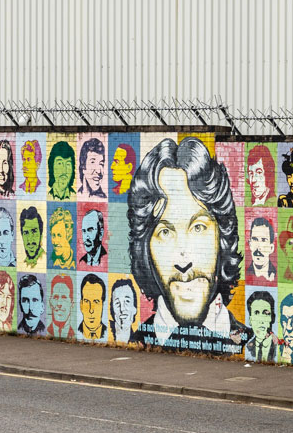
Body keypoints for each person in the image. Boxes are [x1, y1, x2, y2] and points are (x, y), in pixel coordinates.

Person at [128, 136, 247, 353]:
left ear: (222, 238)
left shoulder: (252, 343)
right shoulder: (137, 341)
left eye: (198, 228)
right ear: (145, 250)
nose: (184, 261)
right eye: (165, 232)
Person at [243, 290, 277, 363]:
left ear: (272, 318)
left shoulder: (278, 347)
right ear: (250, 320)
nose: (261, 320)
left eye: (266, 313)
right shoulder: (248, 347)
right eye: (256, 313)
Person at [246, 216, 276, 283]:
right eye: (255, 239)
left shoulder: (276, 273)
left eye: (263, 240)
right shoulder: (246, 272)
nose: (258, 247)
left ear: (271, 248)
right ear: (250, 244)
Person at [78, 274, 108, 341]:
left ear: (102, 305)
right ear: (81, 305)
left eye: (96, 301)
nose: (91, 310)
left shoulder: (108, 331)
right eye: (86, 301)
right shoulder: (77, 331)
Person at [109, 277, 137, 342]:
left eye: (127, 301)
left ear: (134, 309)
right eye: (117, 303)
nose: (122, 309)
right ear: (112, 309)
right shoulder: (105, 330)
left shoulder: (138, 341)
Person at [48, 274, 75, 338]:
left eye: (64, 297)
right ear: (50, 302)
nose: (59, 303)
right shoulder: (48, 331)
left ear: (72, 303)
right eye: (55, 297)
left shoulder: (73, 334)